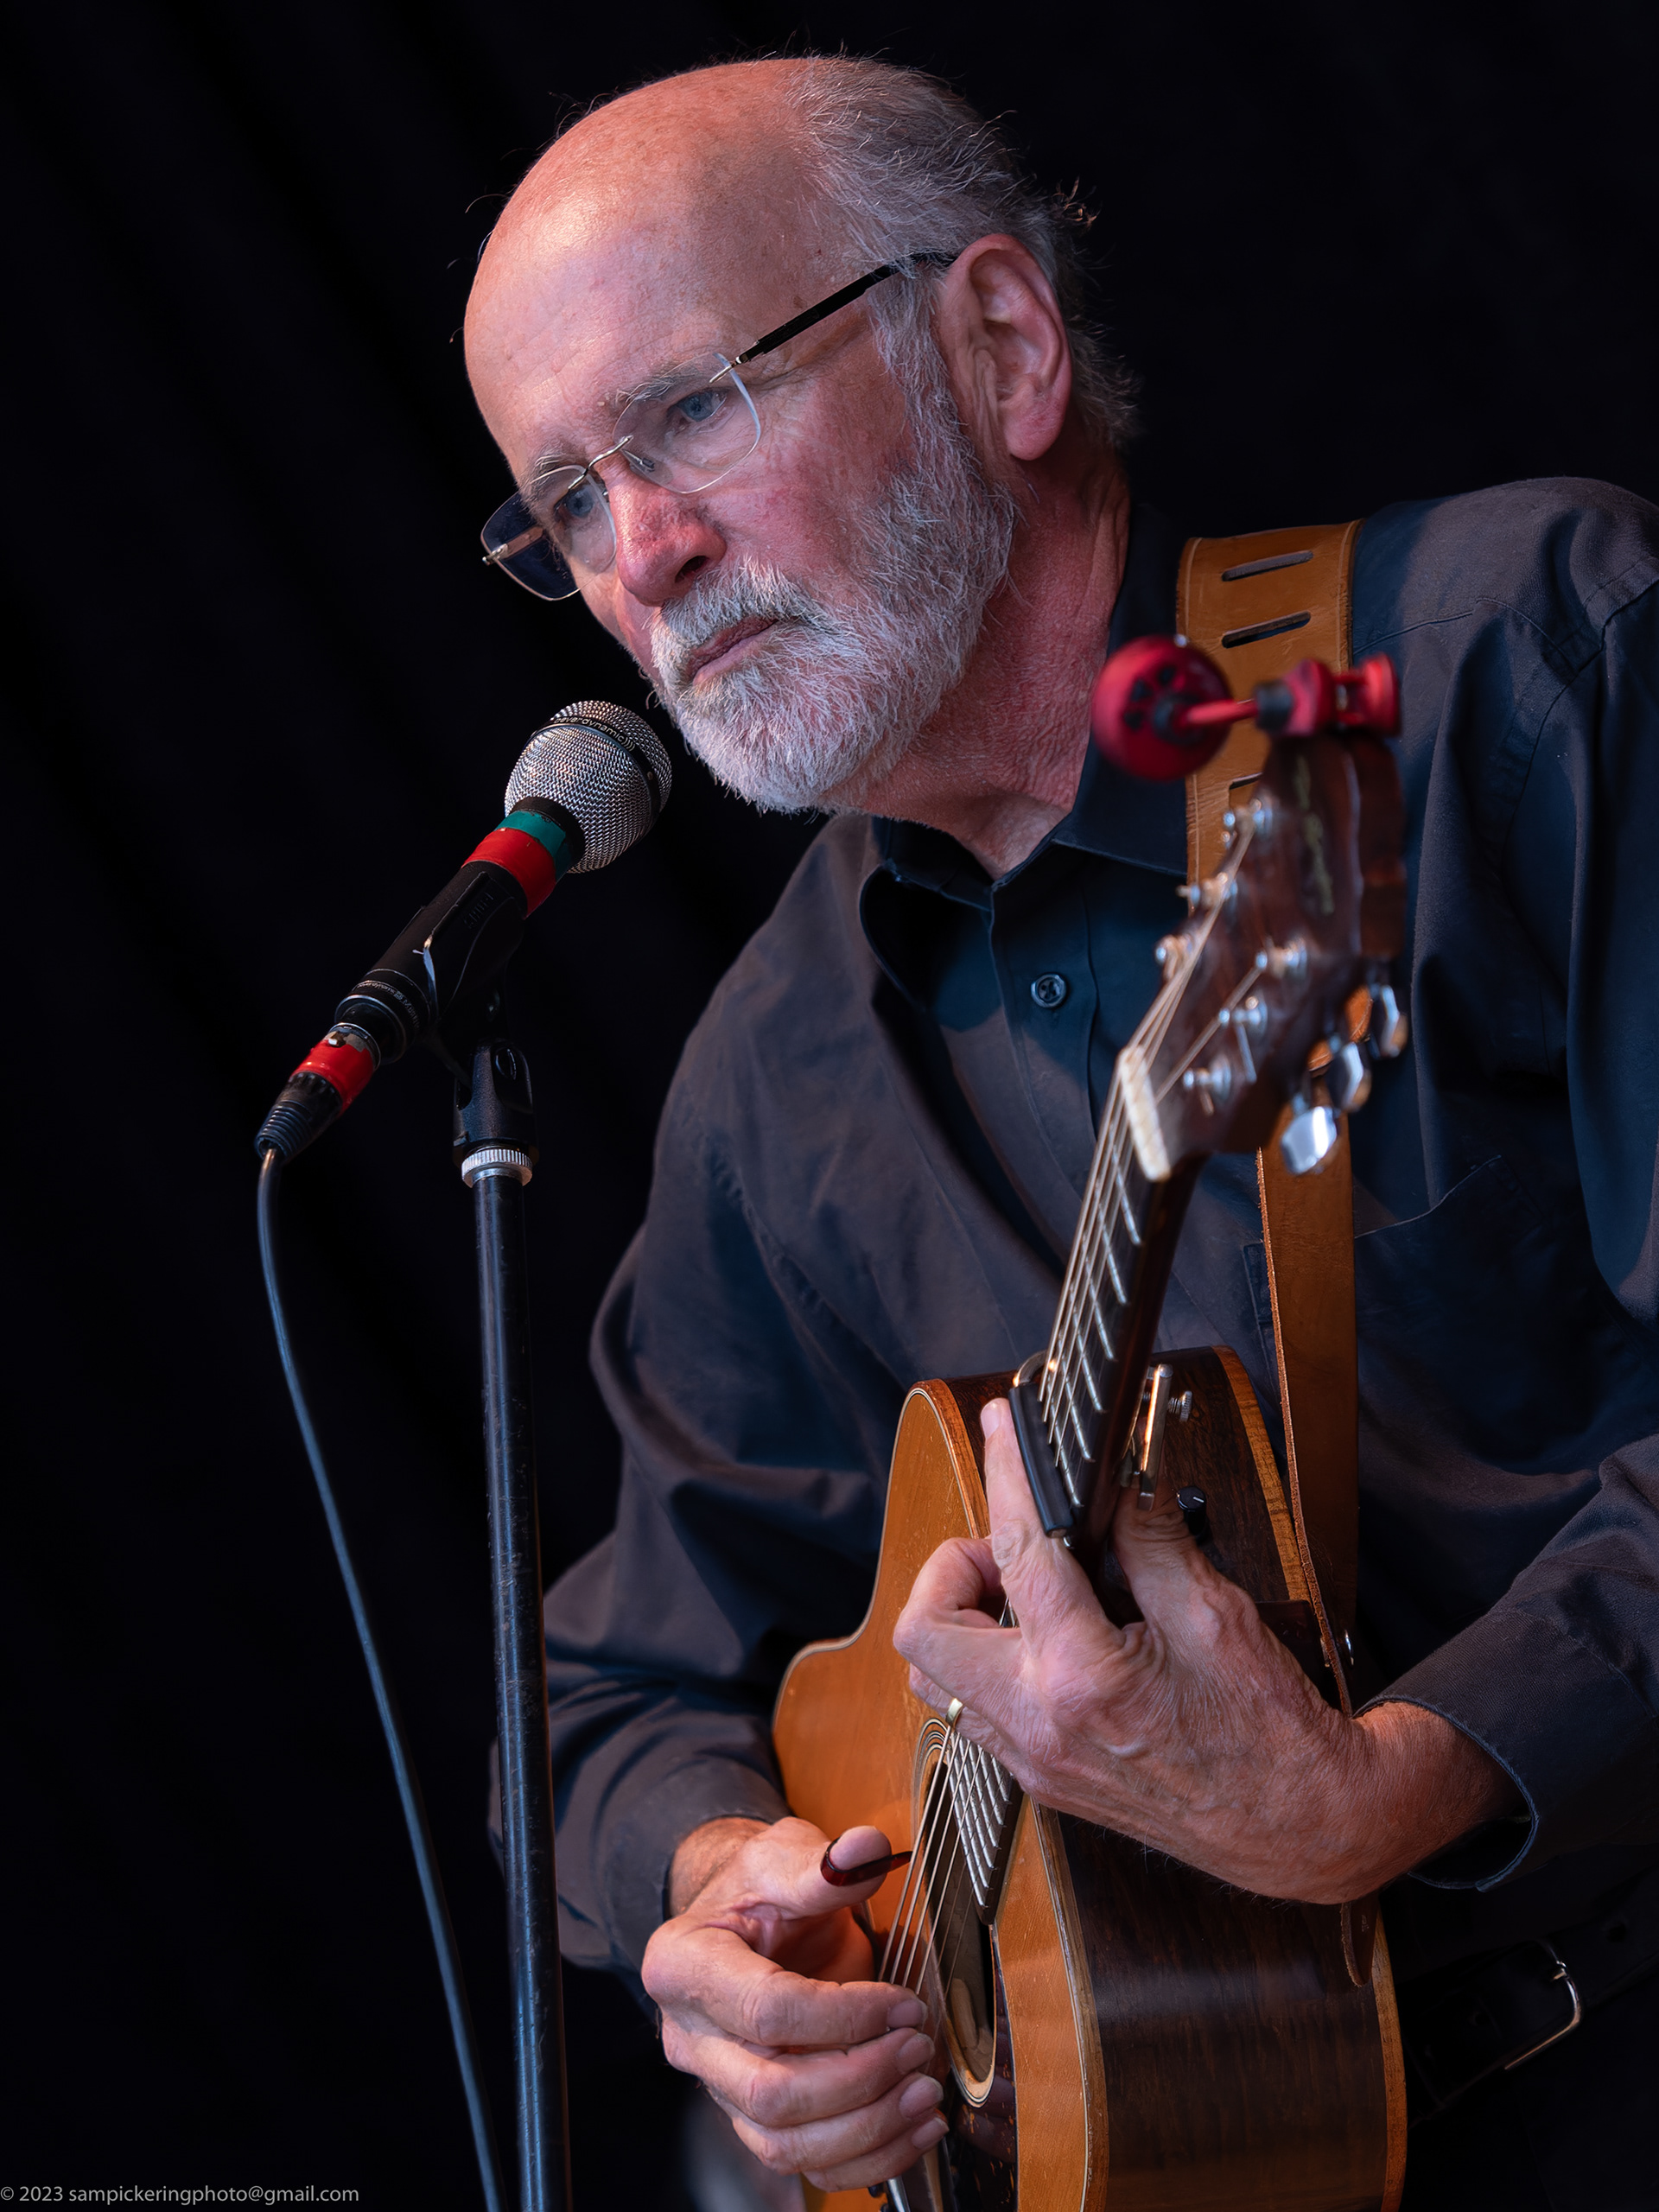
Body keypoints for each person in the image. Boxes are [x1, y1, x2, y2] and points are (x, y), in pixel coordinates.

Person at [463, 54, 1659, 2209]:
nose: (645, 552)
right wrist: (725, 1890)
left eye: (694, 411)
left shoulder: (1517, 666)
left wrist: (1403, 1775)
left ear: (1001, 345)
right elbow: (599, 1692)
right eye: (566, 500)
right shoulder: (778, 1077)